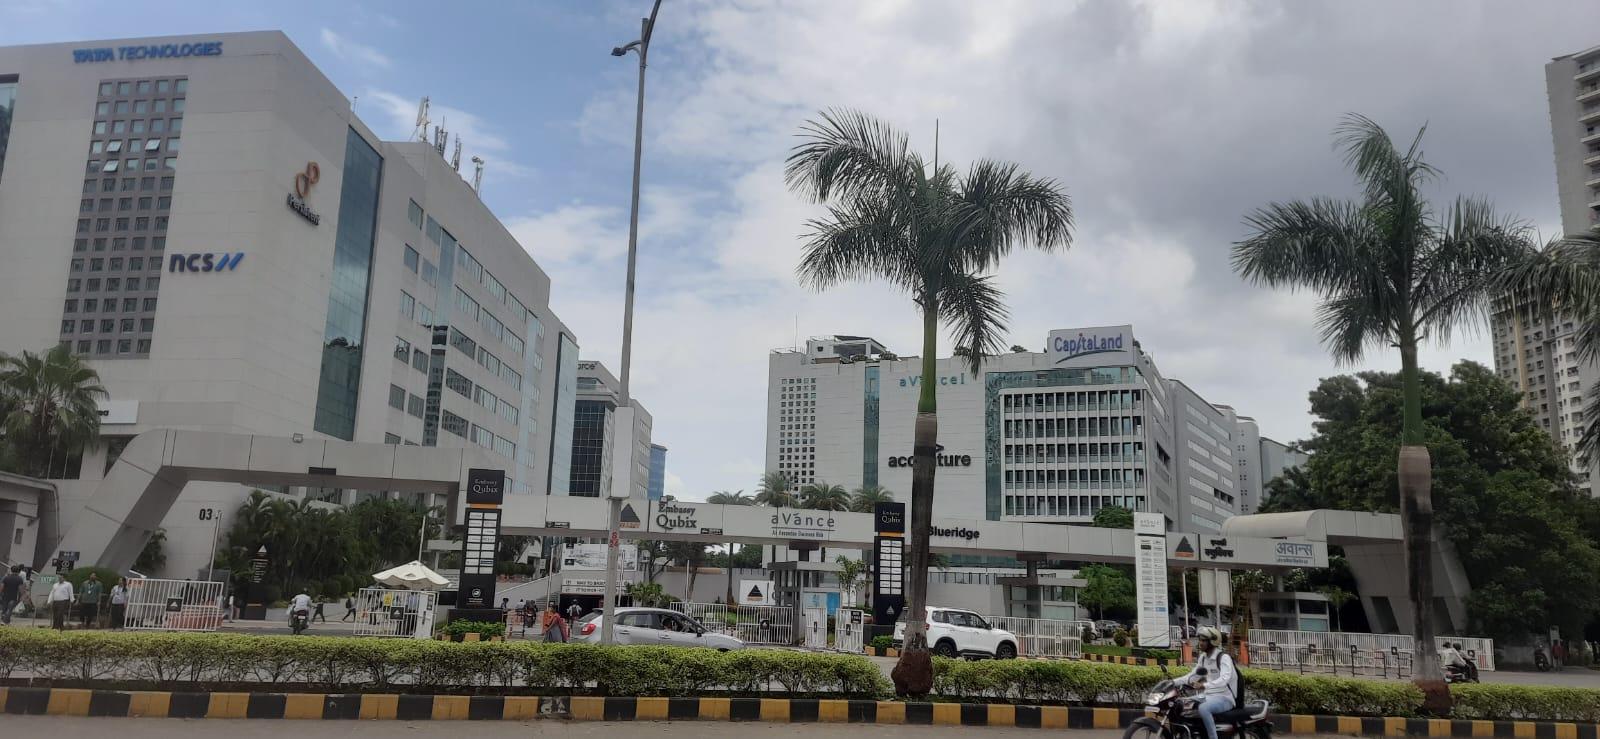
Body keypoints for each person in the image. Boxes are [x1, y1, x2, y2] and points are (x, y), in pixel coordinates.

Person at [1178, 626, 1237, 739]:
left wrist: (1204, 685)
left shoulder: (1223, 658)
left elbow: (1224, 679)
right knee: (1182, 704)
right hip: (1208, 696)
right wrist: (1172, 682)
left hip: (1225, 698)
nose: (1200, 643)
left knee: (1204, 708)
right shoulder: (1203, 658)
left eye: (1203, 640)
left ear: (1213, 641)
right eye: (1200, 639)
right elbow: (1192, 676)